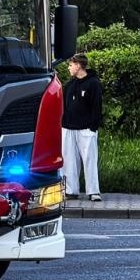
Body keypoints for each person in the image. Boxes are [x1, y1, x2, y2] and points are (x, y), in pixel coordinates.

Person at [61, 53, 102, 202]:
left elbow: (96, 106)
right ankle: (71, 190)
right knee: (69, 160)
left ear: (78, 65)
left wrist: (93, 126)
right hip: (68, 127)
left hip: (86, 128)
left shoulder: (93, 83)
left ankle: (93, 191)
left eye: (71, 65)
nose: (69, 68)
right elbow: (63, 106)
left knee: (90, 159)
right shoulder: (69, 85)